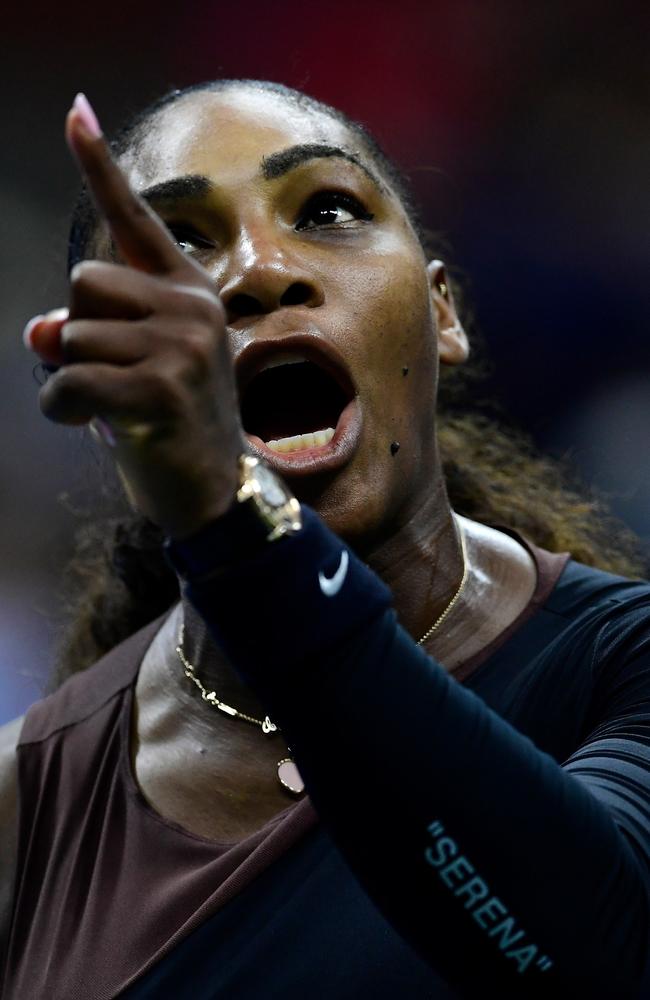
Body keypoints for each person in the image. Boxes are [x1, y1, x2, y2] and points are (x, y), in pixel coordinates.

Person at [0, 80, 649, 998]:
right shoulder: (22, 810)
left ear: (443, 315)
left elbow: (596, 964)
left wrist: (241, 528)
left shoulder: (623, 666)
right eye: (179, 241)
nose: (259, 271)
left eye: (328, 209)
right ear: (99, 388)